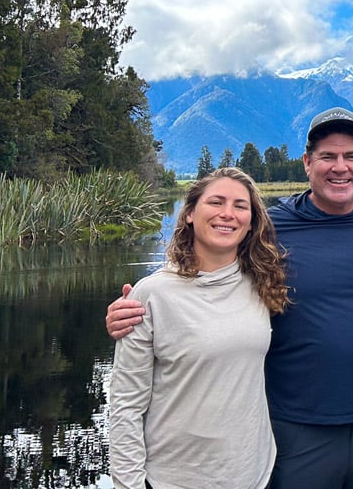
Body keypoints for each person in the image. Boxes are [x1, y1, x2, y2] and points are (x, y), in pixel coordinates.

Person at [107, 107, 353, 489]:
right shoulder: (269, 227)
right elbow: (206, 270)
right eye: (327, 157)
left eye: (351, 156)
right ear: (307, 162)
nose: (340, 167)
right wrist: (137, 307)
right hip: (293, 427)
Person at [108, 167, 289, 489]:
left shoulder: (264, 285)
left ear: (251, 222)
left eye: (240, 206)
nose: (227, 214)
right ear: (189, 213)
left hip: (254, 475)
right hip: (173, 478)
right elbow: (125, 407)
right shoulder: (152, 294)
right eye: (216, 202)